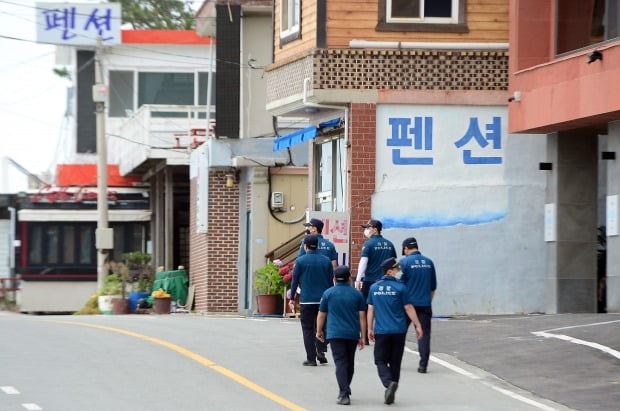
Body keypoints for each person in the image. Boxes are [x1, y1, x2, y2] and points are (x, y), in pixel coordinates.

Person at [367, 257, 423, 405]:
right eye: (396, 268)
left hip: (382, 331)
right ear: (390, 271)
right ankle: (393, 386)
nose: (399, 271)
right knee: (395, 361)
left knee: (380, 359)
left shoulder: (374, 288)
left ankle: (388, 383)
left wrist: (369, 328)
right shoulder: (401, 288)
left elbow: (370, 309)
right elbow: (408, 308)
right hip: (399, 330)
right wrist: (417, 325)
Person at [316, 265, 367, 406]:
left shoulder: (328, 293)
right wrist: (363, 336)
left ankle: (344, 393)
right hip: (352, 333)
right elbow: (362, 316)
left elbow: (321, 315)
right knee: (349, 362)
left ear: (334, 279)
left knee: (340, 362)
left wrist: (319, 331)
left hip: (335, 333)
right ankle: (345, 389)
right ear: (349, 278)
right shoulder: (357, 294)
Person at [289, 234, 334, 366]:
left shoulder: (300, 261)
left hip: (307, 299)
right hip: (323, 299)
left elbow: (294, 281)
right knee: (322, 326)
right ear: (318, 245)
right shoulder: (326, 261)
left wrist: (292, 298)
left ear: (305, 246)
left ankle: (311, 358)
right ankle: (321, 350)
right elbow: (331, 281)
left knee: (308, 329)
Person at [355, 219, 396, 343]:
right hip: (386, 281)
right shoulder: (389, 244)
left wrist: (358, 279)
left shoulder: (368, 244)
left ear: (375, 229)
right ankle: (382, 335)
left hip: (370, 281)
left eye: (368, 227)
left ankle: (366, 335)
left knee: (366, 308)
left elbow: (363, 262)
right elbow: (394, 262)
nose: (366, 230)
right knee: (384, 308)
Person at [400, 237, 437, 374]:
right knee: (424, 335)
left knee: (399, 333)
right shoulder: (429, 262)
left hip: (407, 306)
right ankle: (423, 365)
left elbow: (399, 286)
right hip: (425, 304)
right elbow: (433, 288)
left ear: (405, 249)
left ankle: (396, 360)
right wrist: (427, 301)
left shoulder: (404, 263)